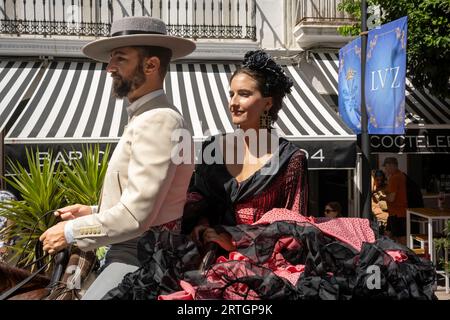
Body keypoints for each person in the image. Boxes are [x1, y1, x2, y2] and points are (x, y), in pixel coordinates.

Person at [102, 51, 436, 300]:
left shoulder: (291, 160)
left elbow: (294, 230)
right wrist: (203, 227)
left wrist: (235, 240)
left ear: (267, 103)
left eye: (244, 94)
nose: (233, 102)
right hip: (194, 263)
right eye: (231, 94)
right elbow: (187, 202)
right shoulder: (209, 148)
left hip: (260, 276)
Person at [38, 16, 196, 298]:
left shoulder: (159, 120)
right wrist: (93, 211)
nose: (110, 67)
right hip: (132, 250)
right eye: (111, 59)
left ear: (151, 65)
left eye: (120, 58)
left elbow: (137, 216)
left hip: (140, 257)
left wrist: (71, 231)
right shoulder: (151, 117)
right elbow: (151, 202)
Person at [381, 157, 408, 245]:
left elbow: (391, 198)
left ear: (391, 166)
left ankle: (403, 256)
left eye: (386, 167)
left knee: (400, 238)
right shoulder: (401, 175)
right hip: (397, 212)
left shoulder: (395, 178)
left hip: (397, 213)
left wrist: (382, 197)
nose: (385, 169)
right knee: (388, 234)